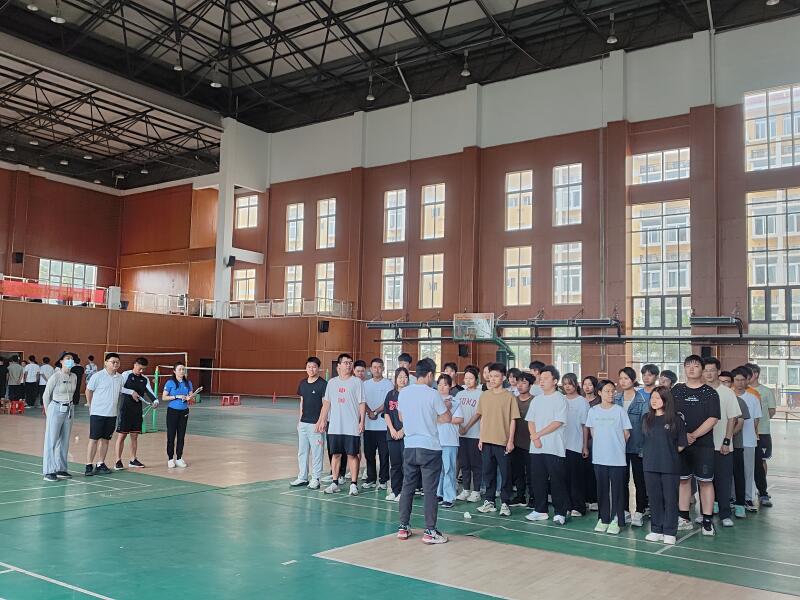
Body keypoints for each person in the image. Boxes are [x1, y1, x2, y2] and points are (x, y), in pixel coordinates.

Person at [397, 359, 452, 544]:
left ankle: (403, 527)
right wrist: (443, 410)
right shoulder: (433, 394)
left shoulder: (404, 393)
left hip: (410, 446)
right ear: (429, 374)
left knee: (407, 487)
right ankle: (430, 531)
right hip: (429, 447)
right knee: (429, 490)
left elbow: (401, 417)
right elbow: (446, 418)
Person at [672, 355, 720, 536]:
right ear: (684, 368)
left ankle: (707, 520)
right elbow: (671, 415)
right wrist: (683, 437)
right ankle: (684, 518)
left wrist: (693, 435)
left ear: (702, 369)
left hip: (704, 446)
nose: (691, 369)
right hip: (681, 446)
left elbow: (713, 418)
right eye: (688, 366)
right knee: (683, 481)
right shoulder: (677, 390)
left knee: (705, 482)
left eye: (696, 366)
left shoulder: (710, 393)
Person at [464, 363, 519, 516]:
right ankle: (489, 501)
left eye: (496, 376)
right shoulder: (485, 395)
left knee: (506, 474)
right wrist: (481, 438)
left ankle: (505, 503)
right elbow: (482, 418)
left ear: (503, 378)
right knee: (488, 472)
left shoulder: (509, 397)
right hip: (486, 441)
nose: (493, 379)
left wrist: (510, 440)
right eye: (491, 376)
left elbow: (513, 420)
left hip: (503, 442)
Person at [641, 386, 687, 545]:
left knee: (670, 499)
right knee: (654, 499)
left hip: (669, 466)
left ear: (666, 400)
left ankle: (669, 531)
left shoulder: (675, 419)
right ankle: (656, 529)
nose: (654, 401)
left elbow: (681, 444)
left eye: (658, 398)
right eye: (652, 398)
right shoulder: (646, 418)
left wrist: (668, 454)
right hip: (650, 465)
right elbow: (644, 441)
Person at [586, 379, 632, 535]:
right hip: (599, 457)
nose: (611, 394)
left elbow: (626, 433)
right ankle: (603, 518)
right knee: (602, 489)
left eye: (613, 391)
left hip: (617, 458)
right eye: (607, 391)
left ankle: (617, 520)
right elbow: (593, 432)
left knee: (617, 490)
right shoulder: (593, 411)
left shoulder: (619, 411)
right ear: (599, 392)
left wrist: (615, 446)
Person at [525, 365, 569, 525]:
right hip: (536, 447)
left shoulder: (560, 399)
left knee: (557, 481)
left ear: (555, 381)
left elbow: (558, 422)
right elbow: (530, 420)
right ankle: (540, 510)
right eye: (541, 379)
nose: (542, 381)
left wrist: (538, 435)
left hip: (554, 447)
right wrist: (534, 437)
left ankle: (560, 512)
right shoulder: (536, 400)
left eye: (545, 378)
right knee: (538, 479)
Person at [319, 353, 365, 496]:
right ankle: (335, 482)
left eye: (350, 362)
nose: (349, 365)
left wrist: (362, 421)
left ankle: (353, 484)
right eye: (346, 362)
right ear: (338, 366)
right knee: (336, 454)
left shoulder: (357, 382)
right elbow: (327, 403)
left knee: (352, 455)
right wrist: (322, 420)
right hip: (335, 426)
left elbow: (362, 403)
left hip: (351, 426)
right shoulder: (332, 383)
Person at [702, 357, 741, 528]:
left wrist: (727, 440)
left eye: (712, 370)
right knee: (704, 481)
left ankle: (725, 514)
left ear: (718, 371)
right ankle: (705, 513)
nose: (708, 373)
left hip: (722, 446)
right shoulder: (700, 391)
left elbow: (732, 418)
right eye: (705, 370)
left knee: (723, 481)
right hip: (702, 446)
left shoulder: (727, 392)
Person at [617, 366, 649, 527]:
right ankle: (624, 510)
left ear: (633, 380)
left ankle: (639, 511)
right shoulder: (616, 399)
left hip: (637, 447)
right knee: (621, 479)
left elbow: (645, 426)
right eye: (621, 378)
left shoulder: (642, 400)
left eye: (626, 378)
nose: (623, 381)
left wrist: (644, 447)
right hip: (619, 447)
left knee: (639, 480)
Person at [115, 357, 158, 469]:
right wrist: (131, 392)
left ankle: (133, 459)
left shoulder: (144, 379)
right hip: (125, 408)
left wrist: (155, 401)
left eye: (143, 369)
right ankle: (118, 461)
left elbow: (150, 391)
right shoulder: (126, 374)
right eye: (140, 368)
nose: (141, 371)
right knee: (122, 435)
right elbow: (119, 388)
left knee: (134, 436)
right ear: (135, 365)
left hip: (137, 410)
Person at [85, 353, 124, 476]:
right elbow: (88, 391)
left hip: (111, 414)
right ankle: (89, 465)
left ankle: (100, 463)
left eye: (117, 362)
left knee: (106, 440)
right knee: (94, 439)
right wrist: (90, 406)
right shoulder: (97, 376)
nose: (115, 364)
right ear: (106, 362)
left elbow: (122, 391)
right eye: (113, 362)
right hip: (97, 413)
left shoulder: (120, 378)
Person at [41, 352, 78, 482]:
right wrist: (48, 412)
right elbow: (46, 395)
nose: (70, 361)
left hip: (69, 409)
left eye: (72, 359)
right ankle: (49, 471)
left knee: (64, 440)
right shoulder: (55, 376)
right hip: (56, 408)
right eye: (67, 358)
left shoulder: (74, 376)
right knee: (51, 440)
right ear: (61, 361)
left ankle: (61, 468)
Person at [290, 356, 326, 489]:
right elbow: (302, 402)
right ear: (306, 368)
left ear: (318, 368)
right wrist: (300, 420)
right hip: (304, 423)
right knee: (302, 452)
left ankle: (315, 478)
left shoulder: (323, 384)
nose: (311, 369)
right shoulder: (303, 383)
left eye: (314, 367)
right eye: (309, 367)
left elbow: (325, 405)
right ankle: (302, 477)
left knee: (317, 453)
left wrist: (322, 421)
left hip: (316, 424)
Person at [745, 363, 776, 508]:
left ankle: (762, 490)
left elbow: (771, 411)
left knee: (760, 461)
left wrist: (759, 421)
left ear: (755, 374)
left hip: (762, 432)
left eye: (748, 373)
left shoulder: (765, 391)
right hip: (746, 434)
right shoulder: (739, 391)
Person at [732, 366, 762, 512]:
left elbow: (756, 421)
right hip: (731, 441)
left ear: (747, 380)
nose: (740, 383)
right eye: (737, 380)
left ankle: (748, 498)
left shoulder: (753, 399)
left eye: (742, 380)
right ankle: (733, 498)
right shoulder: (729, 397)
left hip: (748, 440)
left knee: (748, 471)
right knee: (732, 472)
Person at [363, 358, 393, 490]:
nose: (377, 369)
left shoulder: (388, 384)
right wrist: (369, 412)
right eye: (374, 367)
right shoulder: (365, 384)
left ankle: (383, 480)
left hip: (383, 426)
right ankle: (371, 479)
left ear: (383, 369)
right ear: (371, 369)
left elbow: (387, 402)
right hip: (368, 426)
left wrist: (375, 412)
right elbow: (362, 401)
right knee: (369, 454)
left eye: (379, 367)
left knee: (384, 455)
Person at [563, 372, 590, 517]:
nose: (567, 386)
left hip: (576, 445)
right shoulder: (560, 400)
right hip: (561, 446)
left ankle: (578, 507)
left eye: (570, 383)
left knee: (576, 478)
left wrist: (584, 446)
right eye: (565, 384)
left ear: (576, 384)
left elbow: (585, 426)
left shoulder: (582, 402)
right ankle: (567, 505)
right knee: (564, 477)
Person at [455, 365, 482, 503]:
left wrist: (466, 427)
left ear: (476, 379)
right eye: (466, 378)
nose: (468, 380)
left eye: (471, 378)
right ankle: (466, 490)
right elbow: (454, 412)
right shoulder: (459, 394)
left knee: (476, 464)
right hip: (461, 434)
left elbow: (478, 413)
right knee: (464, 463)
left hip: (475, 434)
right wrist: (460, 427)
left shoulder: (481, 394)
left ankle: (476, 491)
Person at [162, 362, 197, 468]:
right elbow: (164, 397)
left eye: (183, 369)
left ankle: (179, 458)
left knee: (181, 436)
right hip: (172, 411)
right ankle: (170, 459)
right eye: (180, 369)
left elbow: (192, 398)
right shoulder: (170, 383)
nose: (182, 371)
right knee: (171, 435)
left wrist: (190, 398)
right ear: (174, 371)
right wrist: (176, 396)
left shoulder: (188, 383)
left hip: (184, 411)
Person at [436, 373, 463, 508]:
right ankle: (439, 493)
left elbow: (459, 419)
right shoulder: (434, 401)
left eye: (445, 385)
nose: (442, 387)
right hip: (436, 440)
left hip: (450, 440)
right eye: (440, 384)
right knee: (438, 469)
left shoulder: (455, 402)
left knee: (449, 469)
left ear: (450, 386)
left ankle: (449, 497)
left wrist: (442, 419)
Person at [509, 372, 534, 507]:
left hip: (531, 442)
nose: (520, 385)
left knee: (531, 472)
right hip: (515, 441)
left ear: (530, 385)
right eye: (518, 382)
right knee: (517, 471)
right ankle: (520, 496)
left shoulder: (535, 401)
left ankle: (533, 497)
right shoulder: (513, 400)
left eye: (524, 383)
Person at [384, 367, 409, 501]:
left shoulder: (411, 395)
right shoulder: (390, 394)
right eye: (400, 377)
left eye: (405, 377)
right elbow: (386, 414)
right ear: (395, 379)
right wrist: (392, 430)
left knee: (406, 465)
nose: (402, 380)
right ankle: (395, 490)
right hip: (392, 435)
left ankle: (404, 493)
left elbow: (413, 415)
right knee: (395, 464)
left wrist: (402, 431)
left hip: (406, 435)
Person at [582, 375, 600, 511]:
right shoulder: (580, 401)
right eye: (585, 384)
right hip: (581, 439)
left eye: (590, 384)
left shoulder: (599, 402)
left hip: (594, 440)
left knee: (593, 470)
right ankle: (585, 498)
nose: (587, 387)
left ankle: (594, 499)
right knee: (583, 470)